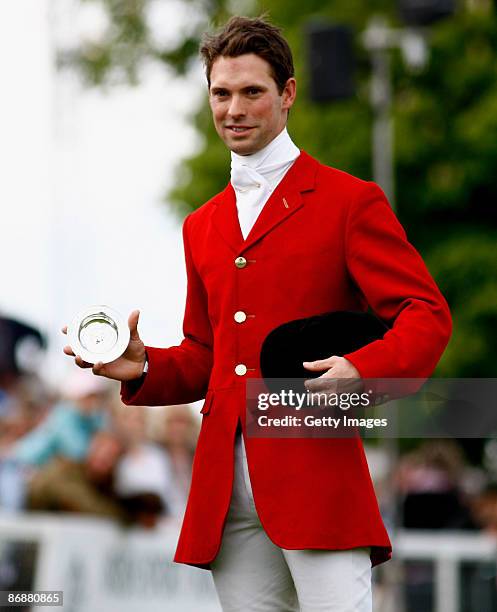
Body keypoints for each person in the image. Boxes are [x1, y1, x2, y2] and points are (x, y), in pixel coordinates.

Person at [63, 16, 452, 611]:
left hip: (316, 475)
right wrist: (140, 368)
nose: (234, 109)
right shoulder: (202, 225)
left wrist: (361, 370)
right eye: (222, 93)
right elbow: (206, 357)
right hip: (226, 492)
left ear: (287, 94)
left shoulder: (350, 202)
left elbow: (426, 314)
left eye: (252, 92)